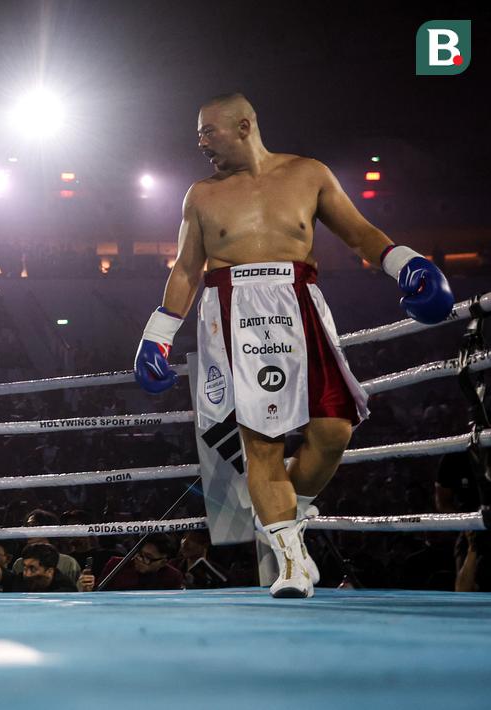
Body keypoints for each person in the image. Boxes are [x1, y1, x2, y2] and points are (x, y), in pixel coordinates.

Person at [132, 92, 454, 598]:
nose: (200, 142)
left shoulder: (309, 175)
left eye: (208, 131)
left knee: (333, 431)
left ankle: (288, 511)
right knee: (260, 443)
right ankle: (291, 563)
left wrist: (405, 264)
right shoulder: (201, 195)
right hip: (231, 311)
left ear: (244, 125)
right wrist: (159, 335)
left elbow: (360, 234)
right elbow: (186, 269)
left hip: (298, 300)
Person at [90, 534, 185, 592]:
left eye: (148, 558)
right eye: (139, 554)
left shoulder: (173, 576)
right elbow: (97, 595)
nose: (139, 559)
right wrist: (86, 589)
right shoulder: (116, 565)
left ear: (163, 562)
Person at [1, 543, 77, 593]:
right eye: (25, 567)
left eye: (32, 569)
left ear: (49, 571)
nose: (27, 574)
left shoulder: (66, 591)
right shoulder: (20, 580)